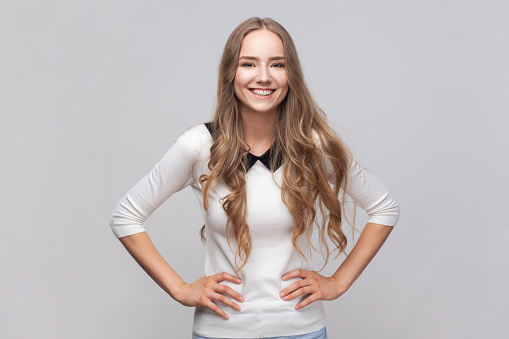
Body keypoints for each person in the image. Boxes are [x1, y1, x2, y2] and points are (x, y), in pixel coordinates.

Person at [109, 17, 400, 339]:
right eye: (249, 64)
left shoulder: (313, 145)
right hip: (220, 331)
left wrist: (339, 281)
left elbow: (384, 207)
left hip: (302, 330)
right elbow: (126, 215)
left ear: (292, 75)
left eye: (277, 64)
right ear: (231, 72)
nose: (264, 77)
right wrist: (179, 288)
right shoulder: (199, 146)